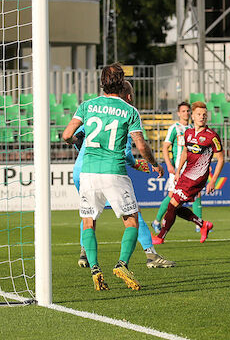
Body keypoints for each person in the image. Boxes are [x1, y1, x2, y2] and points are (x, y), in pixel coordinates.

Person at [62, 63, 164, 291]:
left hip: (88, 172)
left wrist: (76, 141)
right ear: (121, 83)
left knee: (88, 222)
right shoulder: (129, 110)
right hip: (114, 171)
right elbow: (141, 145)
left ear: (102, 82)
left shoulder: (87, 105)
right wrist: (154, 163)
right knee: (131, 220)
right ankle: (122, 264)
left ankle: (95, 269)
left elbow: (67, 135)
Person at [75, 82, 175, 270]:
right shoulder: (124, 115)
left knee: (88, 217)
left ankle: (85, 254)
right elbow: (127, 155)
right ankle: (150, 254)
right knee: (132, 215)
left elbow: (73, 137)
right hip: (107, 170)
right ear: (127, 96)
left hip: (82, 170)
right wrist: (146, 165)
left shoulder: (92, 109)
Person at [152, 101, 225, 244]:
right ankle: (203, 224)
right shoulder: (188, 133)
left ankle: (160, 236)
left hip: (197, 178)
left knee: (172, 205)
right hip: (185, 174)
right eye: (198, 114)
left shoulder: (212, 136)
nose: (202, 117)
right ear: (193, 116)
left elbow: (221, 159)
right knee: (176, 208)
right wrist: (178, 170)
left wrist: (213, 180)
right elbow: (185, 151)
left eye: (204, 114)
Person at [151, 102, 204, 232]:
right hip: (178, 170)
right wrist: (169, 164)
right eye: (184, 111)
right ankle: (156, 221)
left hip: (191, 169)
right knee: (172, 196)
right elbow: (165, 147)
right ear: (179, 113)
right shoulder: (175, 128)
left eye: (188, 111)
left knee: (197, 194)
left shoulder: (193, 128)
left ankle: (200, 225)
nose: (186, 113)